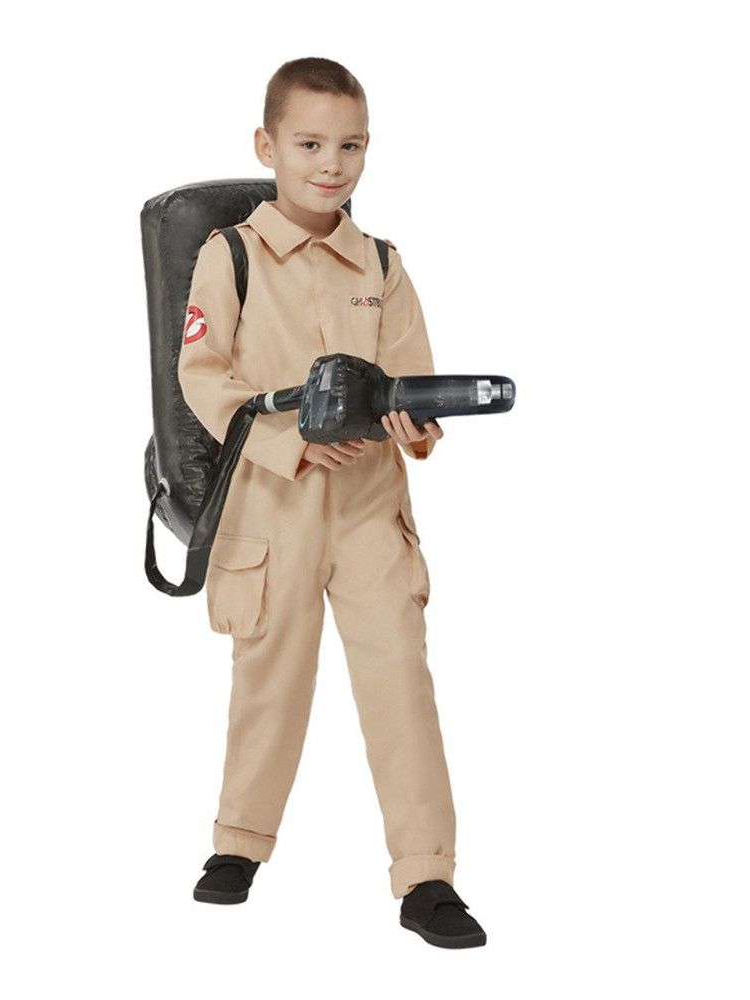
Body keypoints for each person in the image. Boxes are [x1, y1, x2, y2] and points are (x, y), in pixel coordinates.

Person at [177, 57, 486, 949]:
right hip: (271, 503)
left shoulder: (381, 264)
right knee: (270, 677)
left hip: (368, 507)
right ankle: (240, 843)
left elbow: (411, 379)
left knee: (399, 681)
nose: (331, 164)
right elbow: (204, 377)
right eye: (310, 144)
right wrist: (290, 442)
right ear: (266, 146)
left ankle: (427, 877)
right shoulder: (231, 256)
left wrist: (415, 423)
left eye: (351, 146)